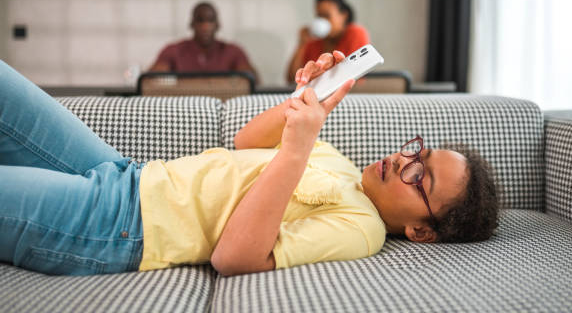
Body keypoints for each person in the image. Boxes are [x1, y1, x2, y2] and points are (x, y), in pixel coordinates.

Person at [0, 53, 498, 276]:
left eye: (420, 176)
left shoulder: (360, 229)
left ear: (421, 231)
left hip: (120, 226)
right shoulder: (345, 167)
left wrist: (298, 147)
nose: (402, 158)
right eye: (417, 150)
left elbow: (234, 259)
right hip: (128, 173)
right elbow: (245, 144)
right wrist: (308, 101)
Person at [149, 1, 259, 83]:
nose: (205, 27)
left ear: (218, 25)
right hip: (185, 106)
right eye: (200, 20)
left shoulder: (233, 51)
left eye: (210, 21)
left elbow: (253, 81)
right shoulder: (174, 50)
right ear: (191, 24)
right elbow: (151, 79)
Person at [286, 0, 370, 83]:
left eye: (326, 16)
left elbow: (354, 74)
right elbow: (291, 79)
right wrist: (301, 44)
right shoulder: (314, 42)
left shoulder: (356, 33)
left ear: (344, 15)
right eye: (319, 16)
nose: (322, 21)